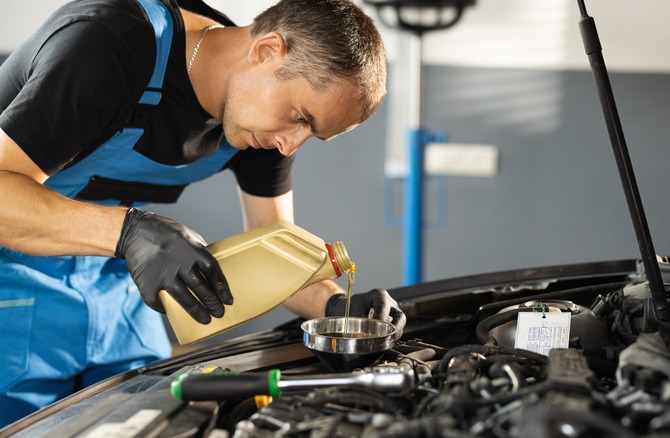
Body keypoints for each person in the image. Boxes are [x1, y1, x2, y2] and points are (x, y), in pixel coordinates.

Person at [0, 0, 406, 426]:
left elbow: (275, 252)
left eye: (311, 133)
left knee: (158, 424)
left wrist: (339, 310)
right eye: (299, 118)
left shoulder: (261, 123)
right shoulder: (111, 45)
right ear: (267, 51)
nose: (290, 145)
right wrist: (128, 232)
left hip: (116, 290)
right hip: (12, 291)